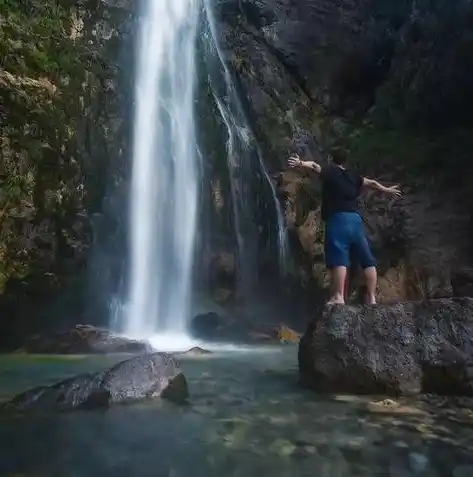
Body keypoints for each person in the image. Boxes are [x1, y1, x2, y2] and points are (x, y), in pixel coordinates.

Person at [288, 148, 401, 305]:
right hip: (355, 219)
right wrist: (387, 190)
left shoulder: (330, 172)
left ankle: (338, 297)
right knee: (367, 259)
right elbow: (372, 183)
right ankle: (372, 298)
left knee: (338, 257)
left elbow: (314, 166)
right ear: (345, 161)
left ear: (330, 158)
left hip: (337, 218)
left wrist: (300, 163)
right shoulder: (353, 176)